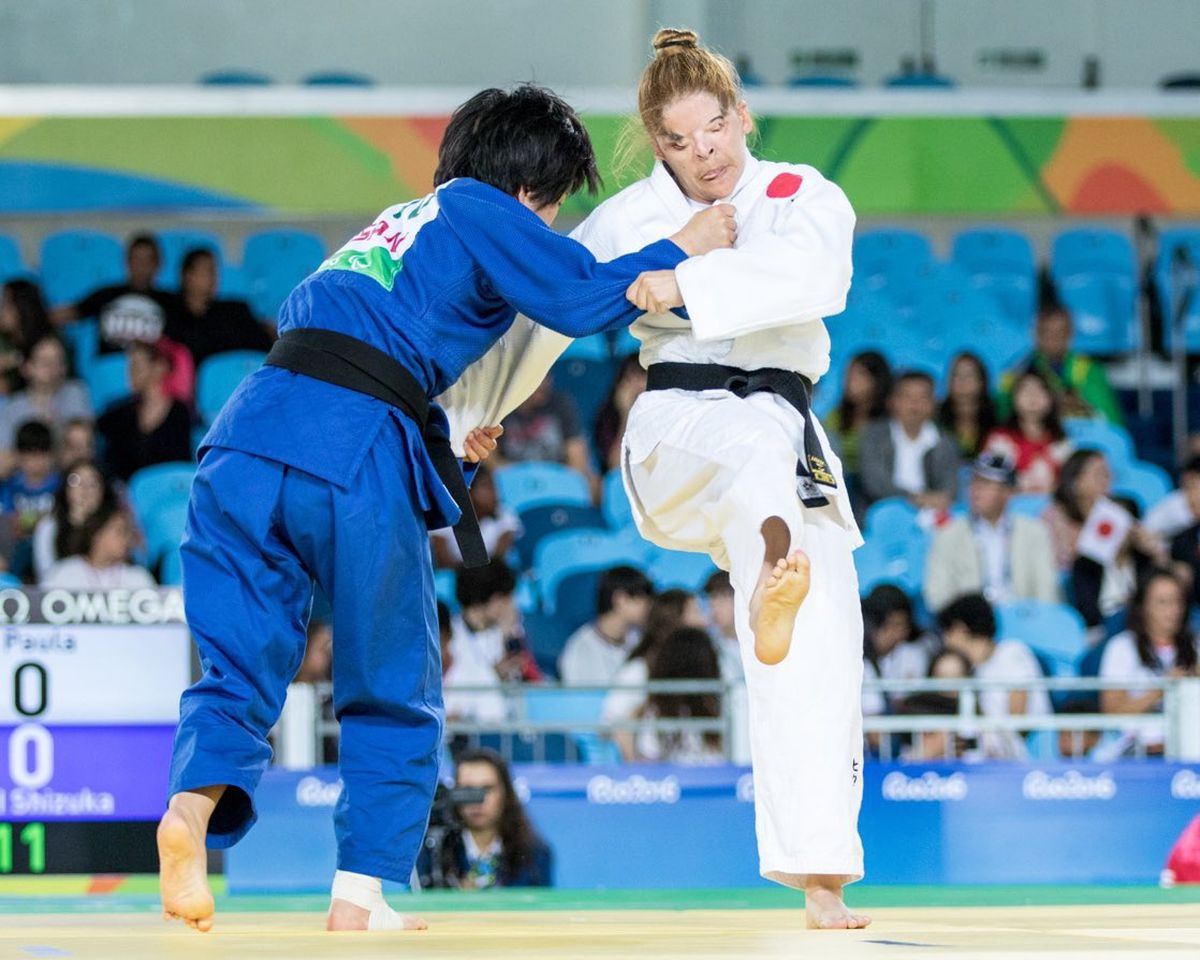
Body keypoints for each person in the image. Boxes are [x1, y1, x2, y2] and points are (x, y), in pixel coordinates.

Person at [156, 83, 732, 935]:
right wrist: (684, 244)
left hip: (243, 439)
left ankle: (190, 812)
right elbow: (576, 296)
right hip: (349, 451)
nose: (547, 223)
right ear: (527, 185)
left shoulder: (387, 229)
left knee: (237, 662)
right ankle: (359, 895)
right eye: (553, 206)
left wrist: (436, 440)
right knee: (392, 676)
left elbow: (356, 349)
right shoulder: (479, 204)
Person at [443, 29, 869, 928]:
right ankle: (763, 581)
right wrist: (472, 413)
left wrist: (679, 280)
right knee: (756, 453)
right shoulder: (631, 218)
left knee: (827, 619)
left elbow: (818, 278)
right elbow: (543, 318)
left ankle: (820, 869)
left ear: (741, 116)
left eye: (714, 129)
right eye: (677, 141)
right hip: (678, 428)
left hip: (791, 433)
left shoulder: (799, 194)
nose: (702, 152)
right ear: (655, 144)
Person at [923, 452, 1060, 612]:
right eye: (974, 481)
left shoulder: (1034, 532)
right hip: (971, 623)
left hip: (1022, 620)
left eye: (986, 483)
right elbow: (936, 596)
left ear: (1007, 492)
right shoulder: (948, 534)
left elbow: (1047, 594)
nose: (975, 490)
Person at [937, 593, 1051, 760]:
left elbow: (1018, 718)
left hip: (1029, 752)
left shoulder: (1011, 653)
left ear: (959, 629)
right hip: (994, 755)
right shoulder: (973, 671)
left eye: (947, 633)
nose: (945, 642)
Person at [420, 749, 552, 889]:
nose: (477, 800)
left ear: (506, 793)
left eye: (487, 789)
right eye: (468, 790)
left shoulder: (534, 853)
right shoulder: (433, 850)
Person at [1100, 570, 1199, 755]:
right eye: (1162, 602)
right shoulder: (1121, 647)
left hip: (1191, 749)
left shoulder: (1196, 646)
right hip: (1139, 753)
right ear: (1143, 606)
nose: (1173, 610)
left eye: (1177, 601)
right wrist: (1162, 690)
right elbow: (1112, 711)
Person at [603, 588, 707, 760]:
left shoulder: (702, 664)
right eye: (695, 612)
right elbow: (615, 723)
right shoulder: (639, 669)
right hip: (654, 768)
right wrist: (638, 772)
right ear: (674, 619)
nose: (704, 621)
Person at [54, 233, 180, 355]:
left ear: (158, 264)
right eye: (136, 260)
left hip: (153, 370)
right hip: (110, 366)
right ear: (126, 262)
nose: (142, 266)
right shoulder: (106, 294)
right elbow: (71, 312)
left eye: (148, 261)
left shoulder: (171, 301)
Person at [1000, 303, 1122, 425]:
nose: (1054, 339)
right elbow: (1002, 413)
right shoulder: (1017, 369)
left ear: (1071, 334)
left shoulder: (1089, 369)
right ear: (1036, 334)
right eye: (1047, 332)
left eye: (1061, 332)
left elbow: (1111, 420)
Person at [859, 371, 960, 511]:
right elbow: (875, 484)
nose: (915, 404)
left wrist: (932, 500)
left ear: (934, 403)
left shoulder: (945, 442)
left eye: (922, 397)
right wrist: (914, 498)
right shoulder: (874, 436)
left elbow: (950, 489)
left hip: (931, 513)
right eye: (907, 397)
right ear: (892, 401)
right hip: (884, 511)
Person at [96, 340, 194, 481]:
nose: (130, 372)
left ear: (160, 367)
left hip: (163, 492)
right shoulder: (119, 411)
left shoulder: (179, 412)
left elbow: (179, 464)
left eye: (137, 365)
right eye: (130, 366)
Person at [495, 373, 600, 499]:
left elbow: (577, 461)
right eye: (538, 375)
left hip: (558, 482)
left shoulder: (561, 403)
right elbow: (491, 462)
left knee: (592, 482)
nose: (544, 384)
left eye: (547, 376)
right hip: (516, 486)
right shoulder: (501, 408)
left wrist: (550, 483)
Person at [633, 625, 725, 763]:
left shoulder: (722, 706)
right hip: (672, 783)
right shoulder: (656, 711)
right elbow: (648, 762)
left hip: (717, 782)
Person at [0, 336, 92, 473]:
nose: (53, 368)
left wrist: (29, 450)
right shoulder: (11, 408)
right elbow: (3, 465)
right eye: (45, 362)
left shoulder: (75, 392)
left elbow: (83, 450)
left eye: (58, 361)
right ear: (26, 367)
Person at [170, 248, 272, 368]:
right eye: (206, 271)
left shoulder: (236, 311)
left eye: (215, 271)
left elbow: (264, 348)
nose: (214, 278)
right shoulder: (170, 314)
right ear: (186, 275)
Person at [558, 565, 654, 685]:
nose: (649, 607)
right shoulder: (580, 649)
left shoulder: (640, 639)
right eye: (643, 600)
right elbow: (580, 700)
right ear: (621, 599)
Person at [452, 559, 541, 684]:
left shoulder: (511, 630)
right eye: (505, 598)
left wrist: (508, 638)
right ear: (483, 601)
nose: (511, 604)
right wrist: (495, 674)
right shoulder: (450, 638)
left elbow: (533, 680)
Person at [983, 369, 1071, 493]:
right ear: (1013, 398)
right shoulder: (1000, 439)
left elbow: (1069, 486)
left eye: (1040, 390)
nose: (1032, 397)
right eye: (1026, 390)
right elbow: (990, 484)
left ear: (1051, 399)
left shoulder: (1061, 442)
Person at [31, 458, 118, 582]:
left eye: (92, 483)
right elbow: (45, 573)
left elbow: (123, 565)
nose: (85, 489)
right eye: (76, 481)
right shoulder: (49, 526)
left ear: (103, 490)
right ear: (65, 488)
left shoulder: (114, 526)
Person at [41, 503, 154, 589]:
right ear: (97, 534)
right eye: (120, 531)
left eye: (128, 533)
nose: (127, 539)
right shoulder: (64, 574)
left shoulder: (138, 577)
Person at [430, 463, 520, 570]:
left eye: (494, 486)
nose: (495, 493)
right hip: (455, 582)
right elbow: (443, 563)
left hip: (493, 582)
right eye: (487, 486)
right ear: (468, 491)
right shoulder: (444, 515)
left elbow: (497, 562)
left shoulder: (505, 515)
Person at [1, 420, 61, 577]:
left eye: (42, 455)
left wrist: (29, 520)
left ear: (51, 455)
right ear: (18, 456)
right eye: (30, 455)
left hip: (53, 547)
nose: (36, 462)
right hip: (17, 549)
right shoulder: (10, 485)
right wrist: (42, 518)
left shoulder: (60, 484)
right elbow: (12, 524)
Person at [825, 350, 891, 479]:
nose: (850, 381)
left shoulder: (890, 421)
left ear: (877, 380)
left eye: (859, 375)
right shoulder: (835, 416)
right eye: (849, 374)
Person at [594, 353, 648, 472]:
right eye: (629, 379)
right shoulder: (608, 416)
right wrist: (626, 414)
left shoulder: (665, 411)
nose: (635, 385)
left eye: (641, 376)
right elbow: (616, 467)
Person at [937, 352, 996, 461]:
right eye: (956, 374)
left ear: (982, 382)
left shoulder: (997, 418)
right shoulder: (935, 417)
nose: (962, 381)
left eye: (969, 375)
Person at [0, 280, 53, 395]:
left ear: (22, 307)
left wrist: (11, 361)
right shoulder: (5, 340)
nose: (1, 311)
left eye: (6, 305)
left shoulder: (47, 343)